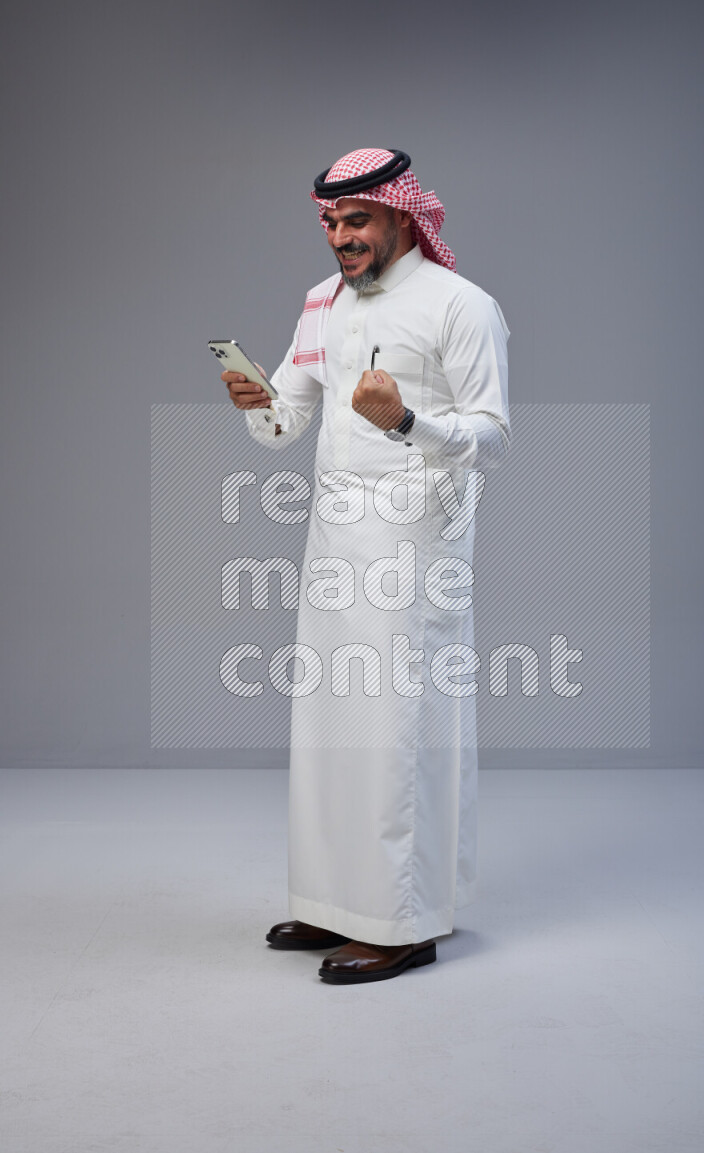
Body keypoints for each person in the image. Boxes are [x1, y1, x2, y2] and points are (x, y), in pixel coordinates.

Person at [222, 148, 510, 984]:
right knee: (329, 721)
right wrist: (256, 403)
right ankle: (336, 903)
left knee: (397, 725)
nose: (340, 237)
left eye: (356, 220)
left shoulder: (462, 304)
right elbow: (285, 424)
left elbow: (494, 436)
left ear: (400, 215)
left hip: (417, 540)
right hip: (334, 536)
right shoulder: (322, 303)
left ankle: (403, 921)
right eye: (329, 222)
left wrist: (406, 419)